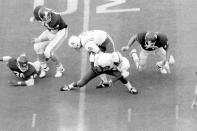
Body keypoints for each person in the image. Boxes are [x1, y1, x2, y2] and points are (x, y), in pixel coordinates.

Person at [60, 52, 138, 94]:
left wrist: (111, 81)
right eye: (116, 63)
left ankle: (130, 88)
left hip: (111, 69)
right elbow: (93, 54)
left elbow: (120, 75)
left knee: (121, 76)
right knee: (81, 83)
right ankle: (69, 86)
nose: (118, 64)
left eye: (118, 63)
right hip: (100, 68)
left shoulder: (125, 63)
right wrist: (93, 66)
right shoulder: (103, 60)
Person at [31, 5, 68, 78]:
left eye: (48, 17)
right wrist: (35, 18)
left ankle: (60, 68)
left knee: (48, 52)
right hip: (50, 31)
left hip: (59, 33)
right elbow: (39, 15)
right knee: (37, 47)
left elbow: (51, 36)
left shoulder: (54, 21)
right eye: (45, 18)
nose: (47, 19)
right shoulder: (41, 12)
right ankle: (43, 67)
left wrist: (39, 40)